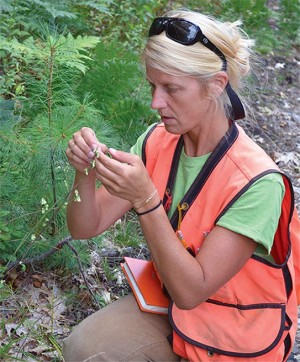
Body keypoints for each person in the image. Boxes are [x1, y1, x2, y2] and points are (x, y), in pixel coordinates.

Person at [62, 9, 300, 362]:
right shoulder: (158, 141)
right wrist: (85, 171)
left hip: (235, 335)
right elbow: (85, 227)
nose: (156, 103)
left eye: (171, 88)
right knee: (84, 348)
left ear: (216, 85)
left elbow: (193, 291)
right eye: (153, 86)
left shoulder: (258, 182)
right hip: (173, 305)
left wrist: (146, 200)